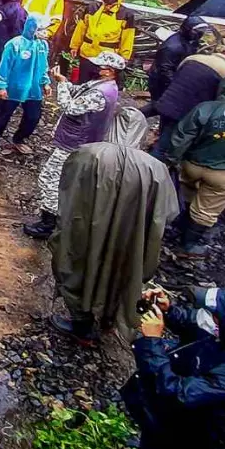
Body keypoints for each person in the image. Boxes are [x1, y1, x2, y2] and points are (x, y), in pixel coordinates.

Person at [47, 108, 174, 345]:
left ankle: (82, 325)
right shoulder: (156, 169)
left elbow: (67, 192)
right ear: (142, 132)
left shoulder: (86, 154)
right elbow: (166, 213)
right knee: (122, 272)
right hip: (129, 239)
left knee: (78, 267)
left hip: (86, 230)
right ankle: (107, 320)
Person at [123, 287, 225, 449]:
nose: (213, 318)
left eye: (218, 316)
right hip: (171, 421)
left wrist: (152, 342)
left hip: (191, 438)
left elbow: (177, 393)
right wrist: (167, 310)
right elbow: (196, 323)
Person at [23, 51, 124, 239]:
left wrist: (61, 84)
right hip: (75, 141)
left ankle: (48, 224)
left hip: (74, 144)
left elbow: (70, 107)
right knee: (59, 180)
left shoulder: (101, 93)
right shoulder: (101, 85)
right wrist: (63, 80)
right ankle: (55, 219)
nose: (95, 67)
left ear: (110, 71)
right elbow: (78, 92)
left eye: (99, 66)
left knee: (49, 180)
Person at [162, 73, 225, 257]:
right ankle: (188, 246)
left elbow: (182, 136)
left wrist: (172, 159)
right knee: (206, 210)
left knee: (187, 195)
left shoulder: (206, 108)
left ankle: (177, 227)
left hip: (193, 164)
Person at [150, 42, 225, 160]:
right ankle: (149, 170)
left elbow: (178, 76)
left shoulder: (193, 58)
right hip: (185, 113)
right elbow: (222, 100)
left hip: (166, 102)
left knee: (165, 134)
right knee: (166, 147)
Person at [0, 14, 50, 153]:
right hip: (14, 86)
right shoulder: (15, 44)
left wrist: (45, 82)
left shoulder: (42, 45)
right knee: (3, 114)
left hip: (33, 88)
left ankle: (19, 139)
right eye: (41, 29)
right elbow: (4, 66)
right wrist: (1, 86)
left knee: (33, 117)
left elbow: (43, 66)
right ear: (32, 28)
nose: (45, 33)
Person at [69, 0, 135, 82]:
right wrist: (74, 46)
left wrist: (124, 57)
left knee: (100, 85)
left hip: (107, 58)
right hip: (87, 54)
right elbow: (81, 29)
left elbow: (127, 38)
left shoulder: (126, 14)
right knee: (83, 83)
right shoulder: (92, 8)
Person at [147, 15, 210, 102]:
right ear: (187, 29)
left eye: (201, 31)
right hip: (161, 81)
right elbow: (165, 69)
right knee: (160, 104)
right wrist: (176, 85)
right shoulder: (172, 47)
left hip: (174, 77)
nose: (200, 34)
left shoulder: (191, 41)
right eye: (196, 31)